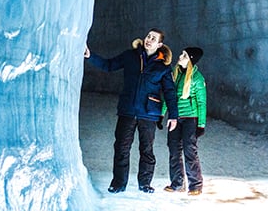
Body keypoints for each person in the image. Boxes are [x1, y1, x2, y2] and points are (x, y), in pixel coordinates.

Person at [84, 29, 179, 194]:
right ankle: (119, 183)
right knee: (121, 147)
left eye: (153, 38)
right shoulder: (130, 56)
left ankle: (145, 183)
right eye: (148, 36)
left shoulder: (163, 66)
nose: (149, 39)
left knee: (146, 149)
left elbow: (169, 91)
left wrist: (173, 116)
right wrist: (89, 55)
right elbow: (109, 65)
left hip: (149, 113)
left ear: (160, 44)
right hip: (128, 110)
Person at [164, 47, 206, 196]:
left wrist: (201, 124)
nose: (180, 56)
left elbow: (201, 102)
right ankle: (177, 183)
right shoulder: (176, 75)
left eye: (184, 55)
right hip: (175, 118)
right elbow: (168, 97)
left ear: (190, 59)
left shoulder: (197, 78)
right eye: (181, 53)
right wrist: (162, 114)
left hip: (190, 119)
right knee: (174, 149)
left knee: (189, 150)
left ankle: (195, 184)